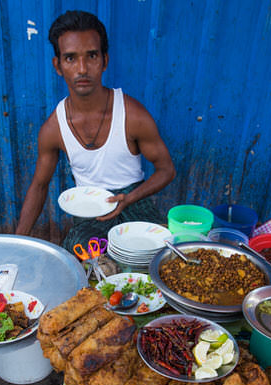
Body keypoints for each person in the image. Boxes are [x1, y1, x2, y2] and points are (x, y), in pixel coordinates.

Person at [15, 10, 176, 251]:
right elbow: (39, 186)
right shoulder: (54, 128)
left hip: (135, 204)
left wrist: (129, 198)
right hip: (90, 214)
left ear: (104, 61)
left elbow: (166, 170)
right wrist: (17, 242)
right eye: (70, 58)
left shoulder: (132, 115)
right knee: (80, 254)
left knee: (157, 254)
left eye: (91, 56)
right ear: (57, 66)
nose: (82, 68)